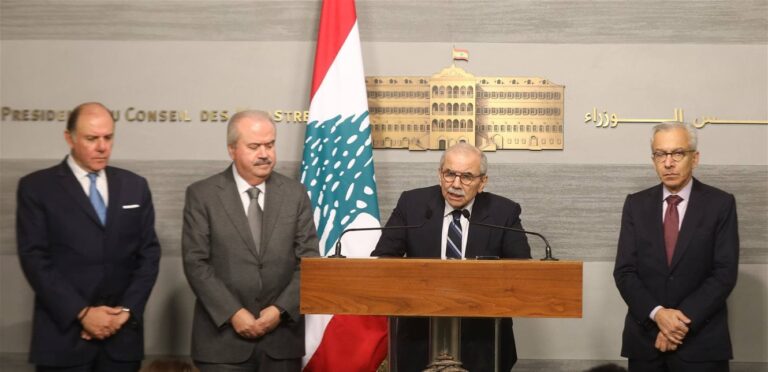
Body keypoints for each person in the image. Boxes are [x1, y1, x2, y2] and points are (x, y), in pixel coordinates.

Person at [16, 102, 161, 371]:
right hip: (63, 339)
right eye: (92, 138)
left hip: (122, 340)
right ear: (69, 138)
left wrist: (125, 312)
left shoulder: (134, 186)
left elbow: (149, 254)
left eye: (108, 137)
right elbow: (35, 259)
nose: (102, 146)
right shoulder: (37, 188)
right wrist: (82, 313)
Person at [371, 142, 531, 371]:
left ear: (482, 182)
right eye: (449, 174)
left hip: (483, 339)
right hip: (419, 337)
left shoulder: (504, 212)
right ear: (440, 175)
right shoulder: (412, 205)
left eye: (466, 176)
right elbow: (383, 258)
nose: (456, 184)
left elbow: (522, 269)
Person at [182, 110, 319, 372]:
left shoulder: (295, 194)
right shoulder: (203, 195)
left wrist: (278, 311)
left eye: (270, 144)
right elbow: (196, 263)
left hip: (281, 343)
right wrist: (234, 313)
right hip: (222, 343)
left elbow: (310, 261)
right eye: (254, 146)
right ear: (232, 149)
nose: (265, 153)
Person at [614, 122, 739, 372]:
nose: (668, 163)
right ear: (653, 159)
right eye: (661, 154)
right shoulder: (635, 205)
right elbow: (625, 272)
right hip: (645, 342)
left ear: (695, 158)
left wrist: (676, 325)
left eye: (677, 153)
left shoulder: (720, 204)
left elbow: (724, 273)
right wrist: (658, 314)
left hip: (701, 344)